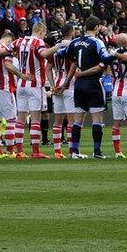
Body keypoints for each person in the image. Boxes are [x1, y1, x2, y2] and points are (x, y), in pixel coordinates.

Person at [56, 16, 127, 159]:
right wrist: (115, 54)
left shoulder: (75, 42)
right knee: (97, 119)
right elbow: (105, 58)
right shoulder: (97, 42)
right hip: (93, 82)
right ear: (96, 28)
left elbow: (60, 54)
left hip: (78, 85)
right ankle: (97, 151)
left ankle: (75, 152)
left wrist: (66, 52)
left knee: (78, 120)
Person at [11, 23, 65, 159]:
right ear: (40, 31)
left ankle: (20, 151)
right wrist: (58, 46)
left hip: (21, 83)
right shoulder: (38, 42)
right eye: (44, 32)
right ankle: (35, 151)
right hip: (35, 84)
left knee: (20, 119)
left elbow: (5, 50)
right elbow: (44, 53)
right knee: (35, 118)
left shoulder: (19, 40)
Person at [48, 24, 78, 158]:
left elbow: (48, 68)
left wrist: (52, 85)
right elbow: (73, 66)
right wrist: (65, 84)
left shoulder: (56, 47)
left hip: (57, 84)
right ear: (71, 32)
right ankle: (72, 151)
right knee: (71, 121)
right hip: (69, 85)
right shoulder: (73, 45)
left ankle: (57, 151)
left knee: (57, 120)